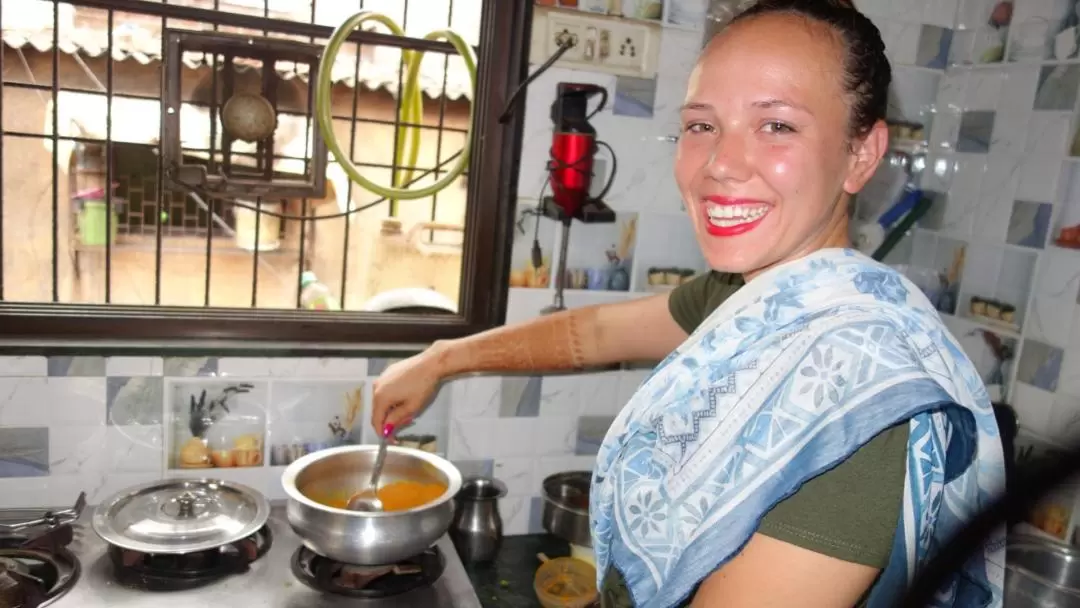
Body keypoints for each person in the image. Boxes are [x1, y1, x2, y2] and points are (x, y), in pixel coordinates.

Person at [371, 1, 1006, 606]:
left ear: (861, 154)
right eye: (702, 125)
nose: (720, 164)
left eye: (776, 125)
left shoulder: (860, 405)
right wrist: (441, 357)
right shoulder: (753, 296)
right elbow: (587, 336)